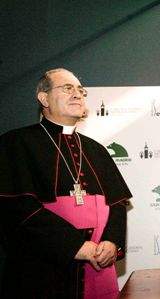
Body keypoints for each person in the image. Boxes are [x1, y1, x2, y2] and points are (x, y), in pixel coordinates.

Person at [0, 68, 132, 298]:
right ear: (43, 98)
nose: (77, 94)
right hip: (42, 272)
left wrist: (112, 243)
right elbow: (18, 209)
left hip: (98, 267)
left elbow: (118, 204)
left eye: (81, 90)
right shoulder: (15, 143)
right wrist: (76, 245)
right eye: (67, 88)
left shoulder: (97, 150)